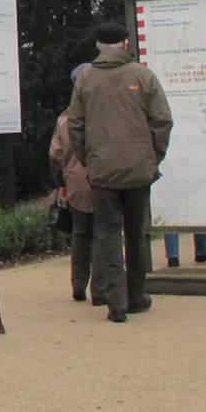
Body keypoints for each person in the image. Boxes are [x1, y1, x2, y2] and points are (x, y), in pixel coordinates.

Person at [67, 20, 173, 323]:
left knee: (106, 233)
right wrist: (154, 156)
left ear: (98, 46)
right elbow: (162, 120)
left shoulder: (86, 80)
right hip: (139, 168)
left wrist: (88, 158)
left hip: (102, 170)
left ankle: (116, 302)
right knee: (136, 233)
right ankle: (136, 294)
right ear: (125, 44)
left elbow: (75, 124)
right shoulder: (143, 75)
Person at [49, 64, 99, 303]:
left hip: (76, 183)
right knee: (104, 233)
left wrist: (62, 182)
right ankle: (101, 289)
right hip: (104, 180)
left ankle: (78, 283)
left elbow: (56, 155)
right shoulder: (103, 113)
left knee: (80, 234)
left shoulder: (65, 119)